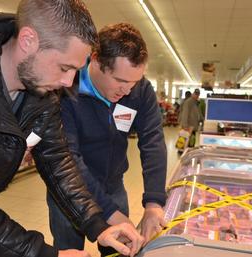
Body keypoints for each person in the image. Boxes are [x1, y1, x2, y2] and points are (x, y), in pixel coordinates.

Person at [0, 1, 144, 257]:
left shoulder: (41, 90)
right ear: (28, 40)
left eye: (75, 70)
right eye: (64, 67)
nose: (67, 81)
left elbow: (58, 160)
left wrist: (97, 225)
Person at [47, 23, 167, 254]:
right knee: (69, 250)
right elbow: (68, 157)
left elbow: (153, 141)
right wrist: (111, 212)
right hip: (69, 189)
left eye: (134, 82)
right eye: (121, 81)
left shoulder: (140, 90)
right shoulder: (66, 89)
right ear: (96, 60)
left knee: (118, 250)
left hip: (114, 184)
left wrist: (154, 202)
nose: (128, 91)